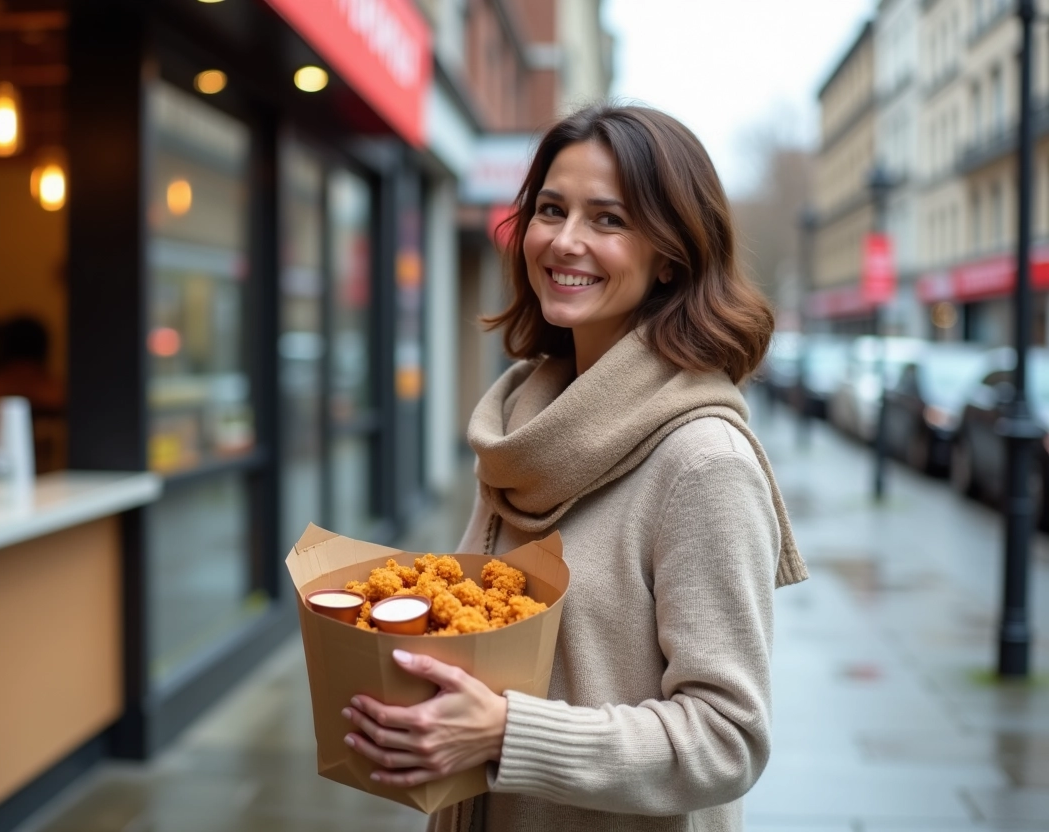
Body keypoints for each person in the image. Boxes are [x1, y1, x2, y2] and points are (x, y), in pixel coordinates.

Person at [342, 104, 809, 831]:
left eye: (608, 220)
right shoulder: (522, 431)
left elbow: (728, 739)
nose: (565, 241)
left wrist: (504, 732)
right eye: (551, 210)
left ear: (672, 257)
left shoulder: (701, 463)